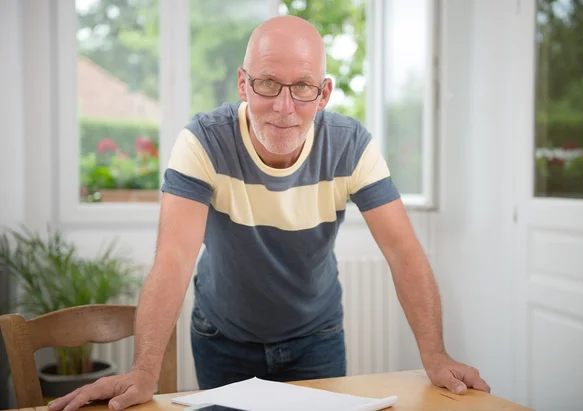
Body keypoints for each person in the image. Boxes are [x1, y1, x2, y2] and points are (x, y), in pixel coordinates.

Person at [48, 15, 490, 411]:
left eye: (302, 87)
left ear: (324, 94)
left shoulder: (352, 145)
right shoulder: (203, 141)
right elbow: (174, 259)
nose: (284, 107)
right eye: (267, 84)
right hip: (222, 337)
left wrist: (434, 355)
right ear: (243, 84)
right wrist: (144, 371)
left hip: (316, 337)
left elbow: (403, 252)